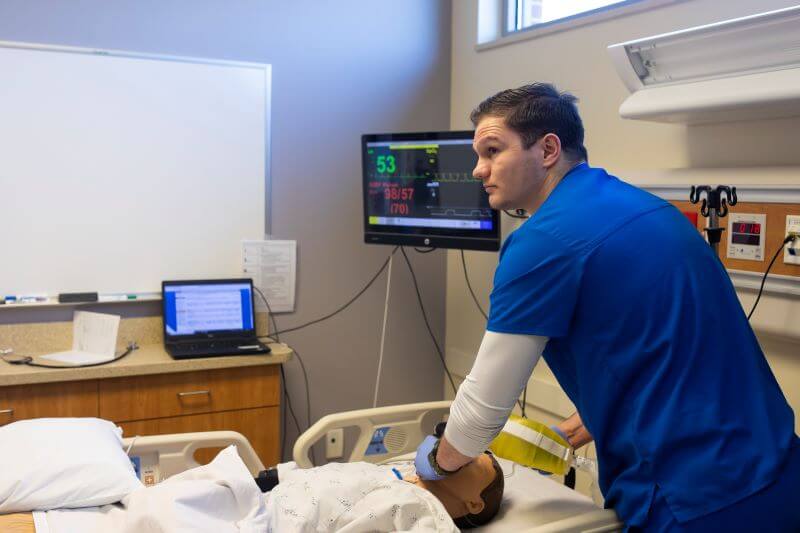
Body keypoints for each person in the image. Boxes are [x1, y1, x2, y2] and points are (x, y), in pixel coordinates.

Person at [414, 83, 800, 531]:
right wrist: (606, 409)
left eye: (492, 150)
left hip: (701, 498)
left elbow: (481, 409)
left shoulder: (542, 242)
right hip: (780, 466)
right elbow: (671, 339)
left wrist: (436, 464)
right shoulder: (648, 208)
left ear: (548, 149)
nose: (479, 170)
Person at [261, 449, 504, 531]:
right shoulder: (403, 470)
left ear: (474, 503)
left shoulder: (430, 515)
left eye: (472, 462)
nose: (461, 455)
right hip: (267, 498)